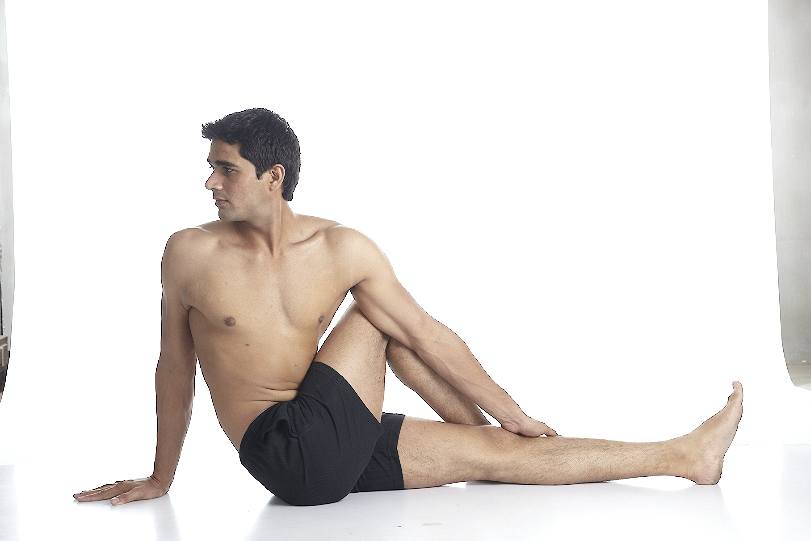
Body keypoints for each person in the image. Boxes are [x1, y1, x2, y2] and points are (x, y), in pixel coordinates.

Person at [73, 108, 744, 506]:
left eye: (226, 169)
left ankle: (684, 456)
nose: (210, 182)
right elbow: (174, 367)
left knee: (495, 452)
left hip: (331, 438)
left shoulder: (339, 246)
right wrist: (162, 476)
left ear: (273, 177)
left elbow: (427, 335)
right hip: (280, 451)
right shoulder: (189, 252)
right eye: (212, 167)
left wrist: (510, 417)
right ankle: (488, 427)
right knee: (380, 318)